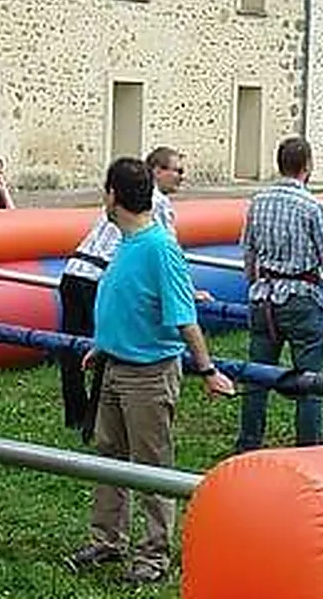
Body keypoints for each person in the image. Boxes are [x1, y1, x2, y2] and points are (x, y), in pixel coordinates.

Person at [65, 157, 234, 585]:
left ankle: (153, 555)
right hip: (114, 366)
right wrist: (103, 345)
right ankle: (107, 540)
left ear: (113, 196)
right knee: (109, 457)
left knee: (151, 465)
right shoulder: (127, 242)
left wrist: (207, 369)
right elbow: (129, 300)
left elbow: (184, 316)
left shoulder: (160, 248)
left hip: (148, 374)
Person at [235, 136, 323, 452]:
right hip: (301, 298)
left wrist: (253, 285)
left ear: (279, 164)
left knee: (257, 376)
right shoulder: (313, 206)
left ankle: (249, 443)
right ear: (308, 166)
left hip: (264, 297)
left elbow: (249, 253)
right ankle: (308, 447)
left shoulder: (258, 201)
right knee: (310, 381)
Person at [59, 146, 189, 432]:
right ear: (156, 172)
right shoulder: (154, 203)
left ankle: (77, 414)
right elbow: (167, 250)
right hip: (99, 276)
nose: (182, 176)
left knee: (71, 348)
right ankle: (98, 416)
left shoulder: (119, 200)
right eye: (177, 170)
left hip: (75, 270)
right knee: (111, 348)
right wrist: (188, 290)